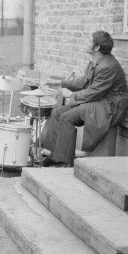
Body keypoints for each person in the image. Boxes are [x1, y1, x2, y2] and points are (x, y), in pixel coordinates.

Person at [42, 30, 128, 166]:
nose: (87, 43)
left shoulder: (108, 66)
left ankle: (64, 161)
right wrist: (61, 83)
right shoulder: (96, 61)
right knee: (58, 112)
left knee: (67, 118)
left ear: (97, 47)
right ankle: (54, 155)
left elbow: (93, 92)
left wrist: (71, 94)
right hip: (98, 100)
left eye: (90, 41)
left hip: (109, 106)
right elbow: (83, 82)